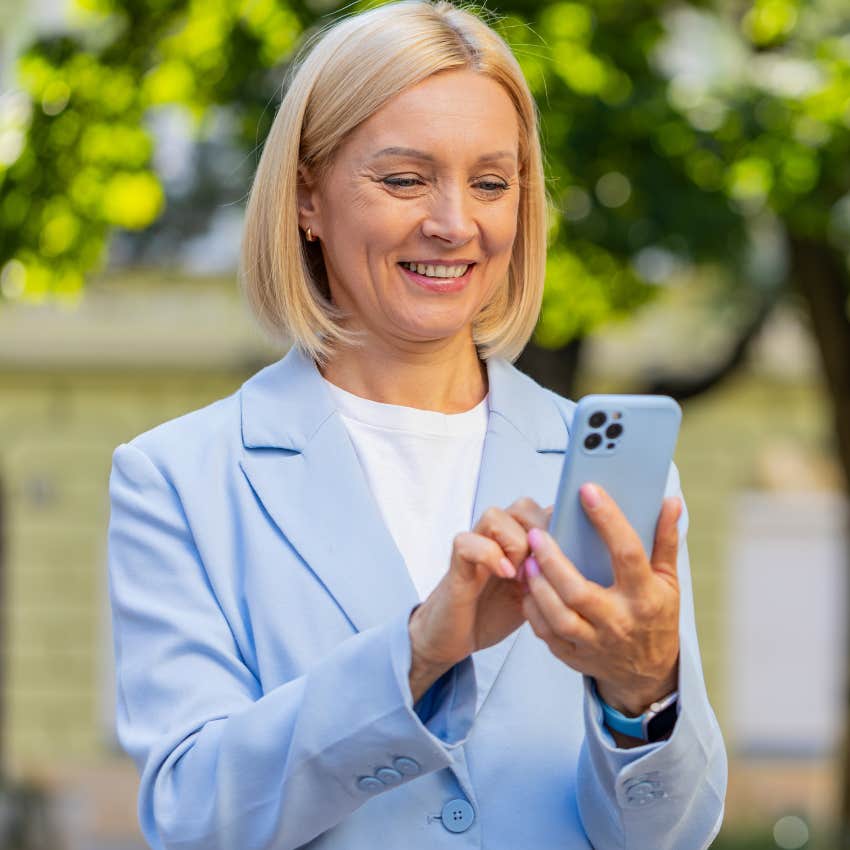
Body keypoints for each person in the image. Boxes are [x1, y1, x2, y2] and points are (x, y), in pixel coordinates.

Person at [106, 2, 727, 849]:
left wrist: (644, 696)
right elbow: (193, 817)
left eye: (491, 182)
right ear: (307, 199)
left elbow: (673, 835)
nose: (454, 223)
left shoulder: (599, 472)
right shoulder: (177, 478)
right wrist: (416, 656)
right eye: (404, 179)